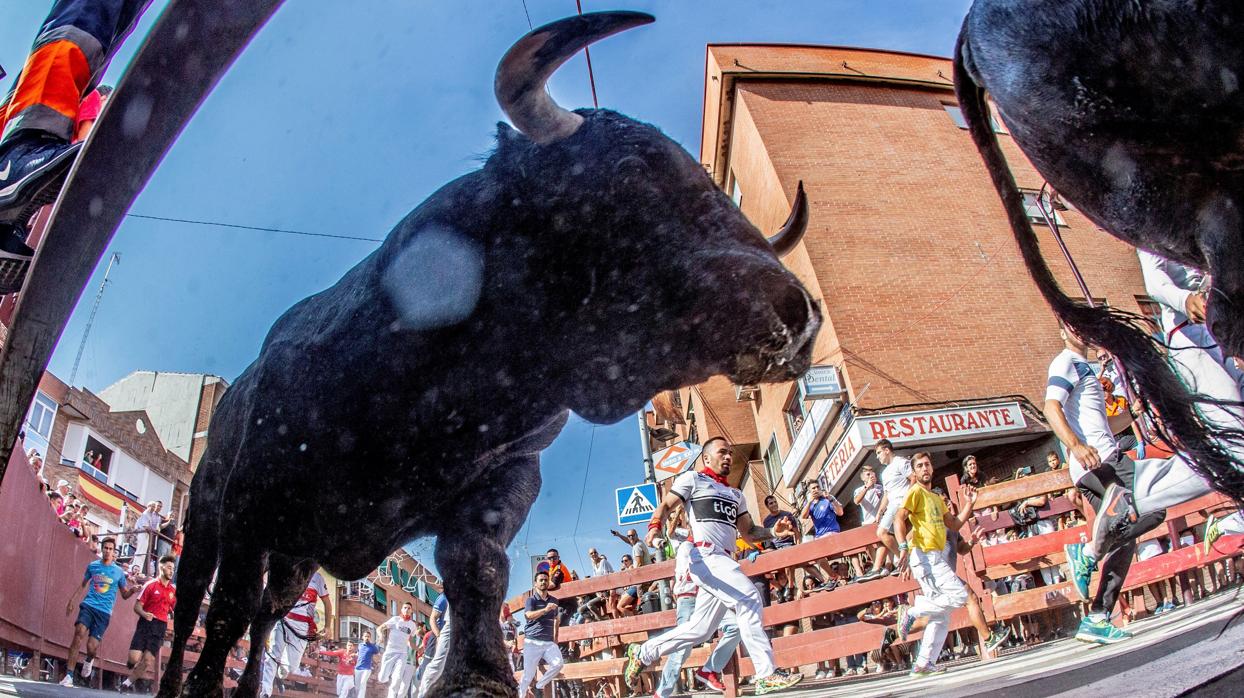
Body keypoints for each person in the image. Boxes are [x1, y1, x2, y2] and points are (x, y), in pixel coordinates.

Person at [1047, 324, 1208, 645]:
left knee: (1124, 536)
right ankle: (1087, 552)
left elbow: (1104, 423)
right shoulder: (1065, 362)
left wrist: (1131, 416)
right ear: (1063, 333)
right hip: (1100, 460)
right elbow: (1050, 408)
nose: (1080, 330)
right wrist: (1076, 446)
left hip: (1097, 460)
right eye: (1071, 326)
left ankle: (1097, 617)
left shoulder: (1089, 370)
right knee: (1154, 507)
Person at [622, 437, 802, 695]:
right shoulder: (693, 479)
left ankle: (644, 652)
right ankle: (766, 674)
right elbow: (665, 505)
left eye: (730, 453)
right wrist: (654, 526)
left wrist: (773, 532)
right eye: (722, 453)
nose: (728, 457)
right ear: (706, 458)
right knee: (749, 597)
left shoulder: (736, 495)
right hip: (705, 556)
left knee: (701, 628)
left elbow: (749, 533)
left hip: (724, 561)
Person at [893, 452, 1011, 676]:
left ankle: (923, 663)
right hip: (924, 555)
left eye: (927, 464)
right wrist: (902, 547)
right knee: (961, 595)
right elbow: (899, 519)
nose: (925, 469)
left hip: (933, 556)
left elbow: (955, 524)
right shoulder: (915, 492)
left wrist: (969, 504)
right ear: (915, 472)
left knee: (941, 616)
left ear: (932, 468)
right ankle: (911, 613)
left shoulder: (936, 499)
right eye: (920, 466)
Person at [60, 537, 139, 687]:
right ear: (102, 549)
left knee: (91, 646)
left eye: (111, 549)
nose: (108, 551)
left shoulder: (118, 572)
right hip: (88, 605)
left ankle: (89, 659)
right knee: (78, 633)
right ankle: (69, 675)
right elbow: (83, 585)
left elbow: (124, 594)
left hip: (103, 613)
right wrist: (72, 600)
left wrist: (133, 591)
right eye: (106, 548)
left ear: (114, 552)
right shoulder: (93, 566)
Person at [261, 569, 332, 697]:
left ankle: (279, 675)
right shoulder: (290, 569)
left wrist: (327, 626)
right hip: (283, 619)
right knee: (272, 655)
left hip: (302, 627)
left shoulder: (317, 578)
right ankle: (265, 692)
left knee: (291, 667)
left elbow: (327, 603)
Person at [119, 554, 176, 693]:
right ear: (161, 567)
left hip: (160, 626)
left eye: (173, 569)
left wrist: (171, 615)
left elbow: (172, 608)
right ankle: (131, 664)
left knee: (148, 661)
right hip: (146, 623)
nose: (171, 571)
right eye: (169, 568)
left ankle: (127, 683)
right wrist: (145, 614)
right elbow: (137, 606)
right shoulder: (150, 585)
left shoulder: (173, 591)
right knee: (133, 659)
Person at [859, 440, 912, 582]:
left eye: (878, 452)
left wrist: (909, 498)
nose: (877, 457)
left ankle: (904, 560)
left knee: (882, 532)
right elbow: (887, 494)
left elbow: (913, 478)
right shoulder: (885, 472)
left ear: (887, 450)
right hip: (892, 504)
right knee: (884, 533)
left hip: (902, 501)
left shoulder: (900, 462)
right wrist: (880, 511)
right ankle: (904, 559)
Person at [518, 570, 566, 696]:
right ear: (535, 584)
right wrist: (545, 610)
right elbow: (528, 616)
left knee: (558, 664)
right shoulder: (531, 600)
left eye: (546, 579)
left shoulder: (554, 600)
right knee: (528, 676)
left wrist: (555, 638)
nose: (544, 582)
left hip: (548, 642)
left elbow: (556, 619)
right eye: (541, 580)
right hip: (532, 641)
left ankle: (540, 685)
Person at [376, 601, 418, 698]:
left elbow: (410, 640)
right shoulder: (395, 620)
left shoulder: (412, 625)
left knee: (397, 678)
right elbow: (379, 628)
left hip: (402, 653)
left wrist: (417, 648)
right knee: (382, 678)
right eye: (405, 608)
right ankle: (388, 673)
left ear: (411, 611)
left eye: (409, 608)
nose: (407, 610)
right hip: (390, 651)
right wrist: (381, 635)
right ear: (401, 609)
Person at [416, 594, 450, 697]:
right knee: (434, 664)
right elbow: (432, 619)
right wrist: (438, 636)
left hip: (452, 636)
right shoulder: (444, 598)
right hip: (438, 635)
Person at [354, 630, 380, 698]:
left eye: (368, 636)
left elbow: (378, 655)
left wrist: (377, 663)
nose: (367, 638)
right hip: (358, 668)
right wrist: (353, 656)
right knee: (357, 686)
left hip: (367, 669)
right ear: (363, 637)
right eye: (365, 636)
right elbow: (358, 654)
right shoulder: (360, 645)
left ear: (370, 638)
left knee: (362, 683)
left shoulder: (373, 647)